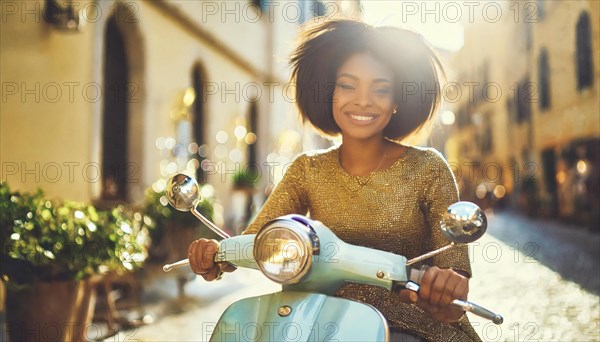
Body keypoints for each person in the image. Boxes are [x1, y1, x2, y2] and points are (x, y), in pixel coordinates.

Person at [188, 19, 481, 341]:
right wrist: (218, 254)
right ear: (329, 91)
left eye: (381, 88)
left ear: (398, 101)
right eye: (347, 85)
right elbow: (259, 239)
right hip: (314, 323)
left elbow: (454, 274)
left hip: (410, 327)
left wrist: (447, 284)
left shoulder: (428, 168)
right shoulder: (307, 170)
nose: (363, 100)